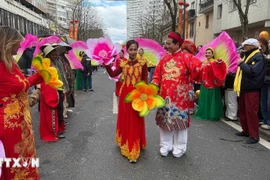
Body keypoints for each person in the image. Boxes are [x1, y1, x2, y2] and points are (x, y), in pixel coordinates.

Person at [152, 32, 226, 158]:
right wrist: (153, 85)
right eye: (166, 43)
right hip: (164, 96)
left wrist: (214, 65)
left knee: (180, 122)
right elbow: (157, 75)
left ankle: (180, 146)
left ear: (177, 44)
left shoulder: (187, 57)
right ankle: (165, 145)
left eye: (169, 43)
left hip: (181, 97)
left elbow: (200, 69)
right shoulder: (164, 59)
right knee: (164, 120)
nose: (166, 46)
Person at [0, 26, 42, 179]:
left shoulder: (10, 63)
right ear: (7, 43)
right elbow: (20, 85)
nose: (19, 46)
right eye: (17, 43)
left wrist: (41, 75)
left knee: (24, 158)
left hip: (21, 121)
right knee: (13, 164)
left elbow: (23, 83)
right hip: (7, 125)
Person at [103, 40, 148, 163]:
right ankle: (125, 142)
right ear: (127, 50)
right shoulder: (123, 63)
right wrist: (106, 63)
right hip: (124, 95)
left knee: (135, 119)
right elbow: (113, 74)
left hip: (137, 95)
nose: (133, 52)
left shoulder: (143, 63)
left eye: (135, 49)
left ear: (137, 50)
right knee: (125, 119)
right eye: (131, 49)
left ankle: (134, 146)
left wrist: (145, 96)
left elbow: (145, 80)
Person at [234, 38, 266, 144]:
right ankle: (246, 130)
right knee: (243, 110)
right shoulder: (248, 55)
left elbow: (253, 71)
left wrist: (242, 64)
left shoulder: (259, 57)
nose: (244, 47)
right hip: (244, 87)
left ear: (253, 46)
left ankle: (254, 135)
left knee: (251, 111)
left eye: (246, 45)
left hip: (252, 87)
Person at [40, 45, 65, 141]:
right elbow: (45, 81)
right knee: (53, 112)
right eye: (53, 54)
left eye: (56, 54)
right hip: (51, 91)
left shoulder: (56, 63)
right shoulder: (46, 66)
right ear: (48, 55)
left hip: (58, 89)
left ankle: (59, 129)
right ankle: (55, 131)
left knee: (60, 110)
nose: (55, 56)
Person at [194, 48, 224, 121]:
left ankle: (212, 114)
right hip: (204, 84)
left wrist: (219, 63)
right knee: (204, 99)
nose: (207, 54)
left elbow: (219, 71)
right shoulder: (203, 62)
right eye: (206, 53)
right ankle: (204, 113)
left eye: (209, 53)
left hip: (212, 84)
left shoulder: (215, 62)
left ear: (213, 54)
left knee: (212, 99)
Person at [257, 37, 270, 130]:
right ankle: (265, 120)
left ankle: (269, 122)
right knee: (263, 101)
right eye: (269, 42)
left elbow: (266, 60)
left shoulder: (265, 55)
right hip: (264, 80)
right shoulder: (266, 53)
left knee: (269, 102)